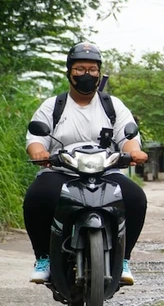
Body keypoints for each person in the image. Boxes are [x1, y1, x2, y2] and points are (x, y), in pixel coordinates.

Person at [24, 42, 148, 285]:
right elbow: (36, 140)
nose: (86, 75)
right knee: (37, 196)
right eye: (80, 69)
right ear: (69, 72)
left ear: (99, 73)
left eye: (92, 69)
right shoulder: (53, 105)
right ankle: (44, 258)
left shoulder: (113, 106)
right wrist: (39, 152)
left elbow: (128, 138)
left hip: (105, 170)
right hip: (61, 170)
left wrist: (135, 152)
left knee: (135, 198)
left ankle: (123, 259)